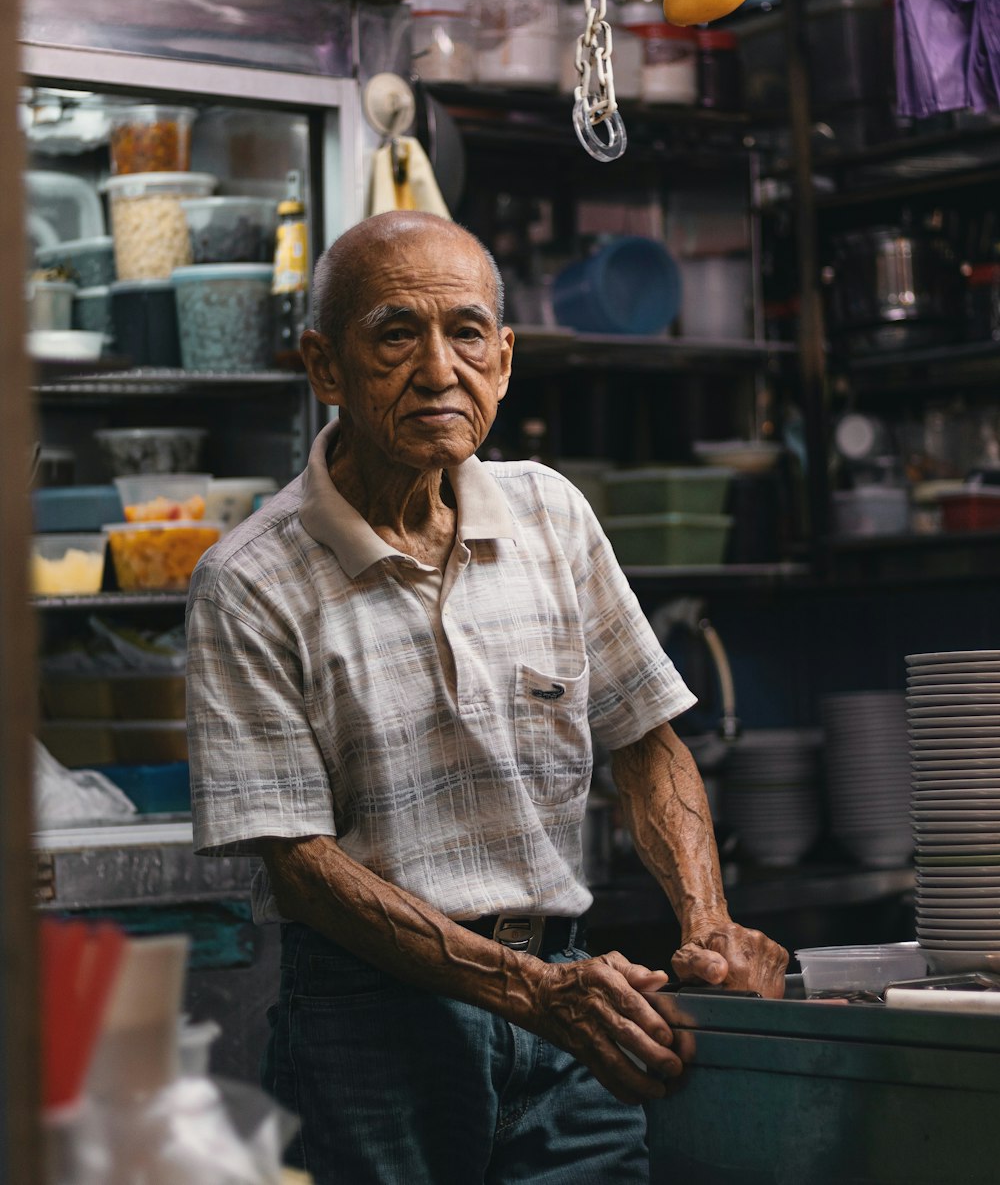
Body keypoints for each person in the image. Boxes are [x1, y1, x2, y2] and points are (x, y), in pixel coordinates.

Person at [186, 211, 787, 1185]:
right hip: (369, 1027)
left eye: (466, 333)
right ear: (323, 364)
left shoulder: (551, 510)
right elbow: (296, 864)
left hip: (568, 1015)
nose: (437, 370)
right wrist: (532, 990)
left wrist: (706, 924)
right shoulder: (249, 579)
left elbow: (642, 734)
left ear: (503, 360)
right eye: (394, 335)